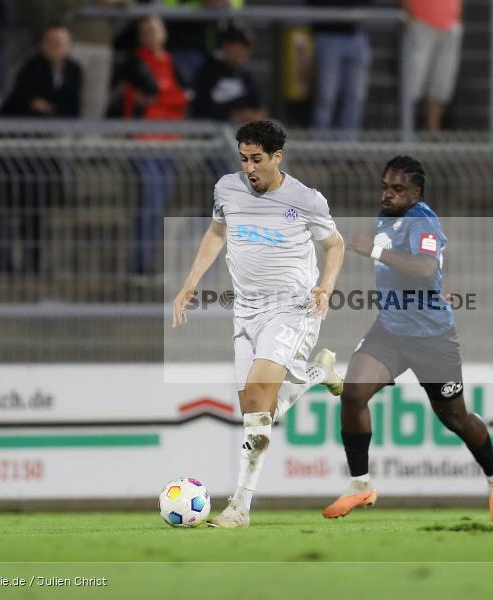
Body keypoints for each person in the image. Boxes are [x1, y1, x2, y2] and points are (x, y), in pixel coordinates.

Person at [171, 120, 346, 528]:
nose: (249, 167)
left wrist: (326, 285)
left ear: (276, 157)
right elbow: (217, 231)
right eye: (244, 159)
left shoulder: (305, 199)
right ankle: (315, 373)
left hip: (293, 309)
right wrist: (189, 283)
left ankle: (239, 508)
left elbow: (334, 244)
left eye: (257, 159)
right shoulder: (226, 188)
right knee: (255, 410)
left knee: (258, 401)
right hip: (246, 311)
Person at [323, 155, 493, 522]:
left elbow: (426, 269)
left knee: (455, 419)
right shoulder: (385, 219)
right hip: (390, 331)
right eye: (385, 187)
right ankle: (360, 485)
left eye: (397, 189)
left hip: (432, 339)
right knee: (353, 394)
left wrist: (375, 250)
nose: (388, 195)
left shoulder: (422, 220)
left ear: (416, 192)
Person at [0, 22, 82, 274]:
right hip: (15, 147)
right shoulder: (30, 69)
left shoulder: (74, 70)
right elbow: (25, 104)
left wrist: (48, 107)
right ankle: (3, 264)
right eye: (51, 42)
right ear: (43, 45)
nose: (56, 47)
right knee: (6, 206)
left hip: (44, 147)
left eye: (61, 42)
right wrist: (53, 109)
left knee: (36, 207)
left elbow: (71, 110)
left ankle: (33, 264)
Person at [120, 14, 189, 274]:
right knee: (149, 203)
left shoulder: (174, 62)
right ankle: (140, 263)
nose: (149, 35)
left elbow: (182, 97)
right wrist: (169, 97)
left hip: (170, 142)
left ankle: (152, 262)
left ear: (164, 33)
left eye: (154, 30)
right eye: (144, 31)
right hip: (144, 142)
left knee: (160, 206)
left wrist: (165, 97)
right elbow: (160, 94)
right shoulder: (135, 61)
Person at [307, 0, 372, 133]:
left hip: (356, 35)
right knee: (326, 95)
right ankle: (319, 142)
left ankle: (348, 144)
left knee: (355, 95)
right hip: (328, 35)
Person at [402, 0, 463, 132]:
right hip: (421, 22)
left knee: (441, 85)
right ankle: (406, 133)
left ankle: (432, 134)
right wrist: (410, 15)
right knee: (413, 83)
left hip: (450, 24)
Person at [190, 25, 264, 123]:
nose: (240, 53)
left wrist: (254, 114)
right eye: (236, 47)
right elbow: (201, 106)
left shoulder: (246, 75)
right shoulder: (209, 70)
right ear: (226, 46)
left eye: (244, 49)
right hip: (211, 128)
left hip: (241, 129)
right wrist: (231, 115)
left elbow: (256, 105)